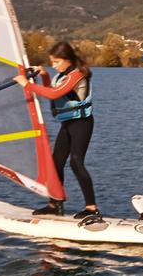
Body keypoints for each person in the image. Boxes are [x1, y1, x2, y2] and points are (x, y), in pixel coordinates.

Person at [14, 41, 100, 221]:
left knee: (76, 162)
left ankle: (91, 208)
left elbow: (54, 95)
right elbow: (52, 90)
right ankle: (55, 204)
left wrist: (26, 84)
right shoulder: (63, 75)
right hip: (68, 124)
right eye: (51, 62)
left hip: (81, 123)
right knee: (56, 163)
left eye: (56, 62)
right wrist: (44, 76)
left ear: (68, 60)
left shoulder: (77, 74)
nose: (54, 66)